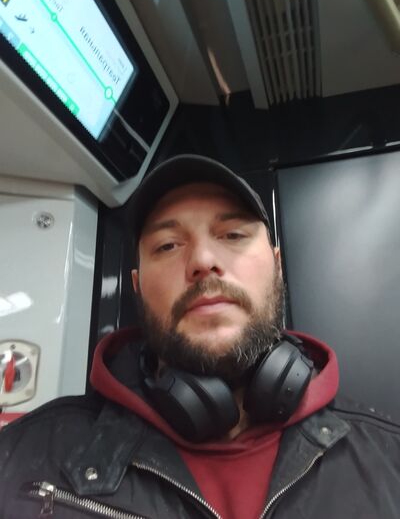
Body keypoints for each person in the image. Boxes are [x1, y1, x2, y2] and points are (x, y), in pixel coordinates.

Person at [0, 154, 399, 518]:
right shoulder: (19, 459)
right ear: (137, 287)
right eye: (168, 245)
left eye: (233, 235)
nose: (204, 261)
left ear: (277, 266)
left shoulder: (388, 457)